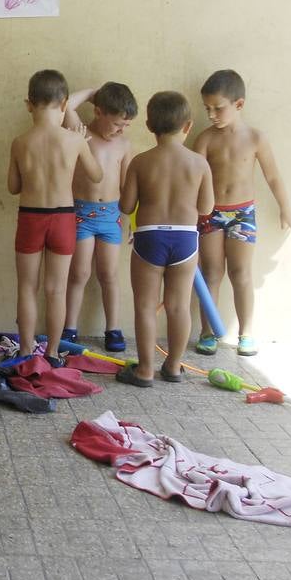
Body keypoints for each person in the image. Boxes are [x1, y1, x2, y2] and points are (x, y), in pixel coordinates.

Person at [192, 70, 291, 357]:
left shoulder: (255, 138)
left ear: (239, 104)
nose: (212, 114)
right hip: (210, 214)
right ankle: (208, 331)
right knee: (211, 273)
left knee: (241, 274)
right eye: (207, 109)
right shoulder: (204, 139)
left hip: (242, 214)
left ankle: (246, 333)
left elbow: (272, 176)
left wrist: (285, 207)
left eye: (218, 108)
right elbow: (193, 179)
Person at [115, 92, 214, 386]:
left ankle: (145, 370)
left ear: (149, 125)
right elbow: (207, 208)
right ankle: (172, 367)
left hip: (150, 237)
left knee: (146, 306)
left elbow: (126, 206)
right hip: (185, 238)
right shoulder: (199, 164)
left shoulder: (141, 162)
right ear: (188, 125)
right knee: (178, 306)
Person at [7, 70, 102, 364]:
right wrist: (84, 142)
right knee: (56, 289)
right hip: (63, 218)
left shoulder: (20, 142)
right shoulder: (74, 141)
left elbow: (13, 188)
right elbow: (97, 176)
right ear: (64, 105)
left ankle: (24, 350)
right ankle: (52, 352)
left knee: (27, 287)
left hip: (31, 216)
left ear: (28, 104)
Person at [61, 82, 138, 352]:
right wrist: (95, 90)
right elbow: (67, 105)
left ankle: (113, 328)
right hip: (81, 214)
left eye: (126, 125)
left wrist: (134, 222)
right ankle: (69, 328)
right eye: (117, 123)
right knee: (79, 273)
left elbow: (131, 186)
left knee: (109, 274)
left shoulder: (124, 145)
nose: (120, 130)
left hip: (112, 217)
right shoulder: (81, 134)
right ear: (97, 112)